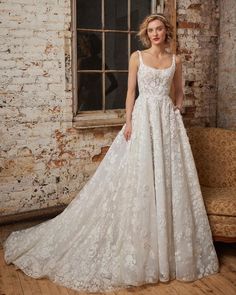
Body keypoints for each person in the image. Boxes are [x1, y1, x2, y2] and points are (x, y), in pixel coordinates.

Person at [3, 13, 219, 293]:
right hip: (143, 120)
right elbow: (129, 93)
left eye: (159, 29)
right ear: (146, 33)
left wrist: (175, 110)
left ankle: (165, 250)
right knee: (140, 178)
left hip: (167, 125)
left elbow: (178, 92)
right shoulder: (137, 57)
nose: (155, 34)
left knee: (167, 180)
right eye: (150, 30)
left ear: (166, 32)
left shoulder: (176, 60)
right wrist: (128, 122)